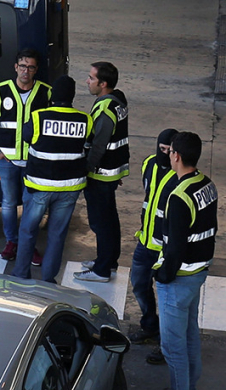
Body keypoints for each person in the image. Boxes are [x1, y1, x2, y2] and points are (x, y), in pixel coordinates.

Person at [152, 131, 217, 390]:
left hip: (179, 279)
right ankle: (189, 384)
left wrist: (162, 276)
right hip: (197, 272)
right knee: (190, 336)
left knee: (172, 347)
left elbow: (175, 247)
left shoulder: (178, 196)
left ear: (175, 156)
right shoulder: (206, 184)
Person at [12, 75, 92, 283]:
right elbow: (87, 146)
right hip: (70, 187)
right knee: (57, 235)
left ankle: (21, 275)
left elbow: (27, 137)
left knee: (28, 230)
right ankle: (48, 279)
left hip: (40, 186)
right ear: (72, 96)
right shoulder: (85, 120)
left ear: (52, 95)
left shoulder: (39, 117)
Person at [0, 48, 49, 264]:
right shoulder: (1, 91)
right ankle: (12, 242)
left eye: (30, 67)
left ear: (36, 70)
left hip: (33, 163)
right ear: (15, 67)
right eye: (22, 66)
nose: (25, 71)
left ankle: (28, 246)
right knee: (9, 204)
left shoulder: (46, 93)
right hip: (7, 162)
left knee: (31, 206)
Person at [74, 61, 130, 282]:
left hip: (101, 174)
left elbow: (99, 145)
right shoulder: (117, 100)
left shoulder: (105, 109)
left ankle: (102, 270)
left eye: (91, 78)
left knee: (101, 222)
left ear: (103, 83)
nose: (87, 81)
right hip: (111, 171)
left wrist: (86, 169)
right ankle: (107, 261)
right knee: (109, 220)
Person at [130, 129, 180, 365]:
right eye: (160, 150)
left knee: (168, 300)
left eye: (168, 152)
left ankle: (166, 345)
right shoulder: (149, 164)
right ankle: (150, 326)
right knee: (139, 286)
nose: (163, 155)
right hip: (145, 241)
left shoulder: (179, 176)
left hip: (165, 249)